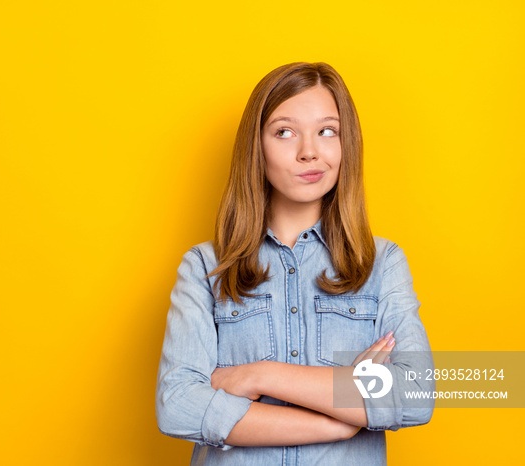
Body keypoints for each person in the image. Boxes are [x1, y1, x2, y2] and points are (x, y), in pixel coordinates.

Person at [155, 62, 435, 465]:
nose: (309, 151)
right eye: (285, 132)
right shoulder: (205, 267)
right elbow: (178, 405)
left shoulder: (382, 263)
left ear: (345, 145)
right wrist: (338, 420)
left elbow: (416, 393)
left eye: (327, 131)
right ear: (257, 147)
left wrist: (260, 375)